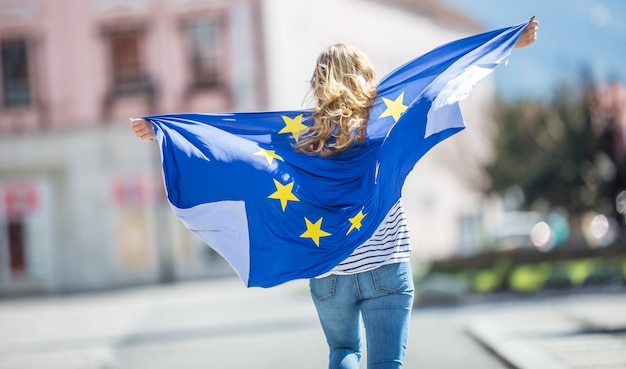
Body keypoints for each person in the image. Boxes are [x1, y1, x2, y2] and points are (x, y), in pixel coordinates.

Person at [131, 18, 539, 369]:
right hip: (387, 267)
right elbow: (440, 74)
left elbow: (230, 138)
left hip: (329, 271)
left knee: (343, 351)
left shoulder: (300, 136)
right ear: (365, 76)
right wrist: (508, 42)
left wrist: (165, 130)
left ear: (318, 82)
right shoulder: (383, 119)